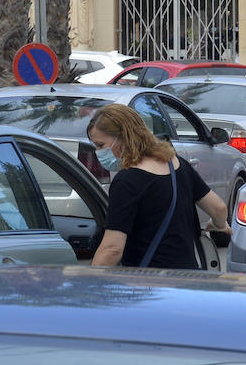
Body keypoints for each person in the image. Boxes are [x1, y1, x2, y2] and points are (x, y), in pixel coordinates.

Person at [86, 103, 230, 269]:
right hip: (188, 277)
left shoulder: (126, 182)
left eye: (101, 145)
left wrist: (89, 282)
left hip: (150, 283)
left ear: (124, 137)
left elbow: (112, 249)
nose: (98, 153)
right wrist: (219, 225)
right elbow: (218, 208)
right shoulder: (177, 164)